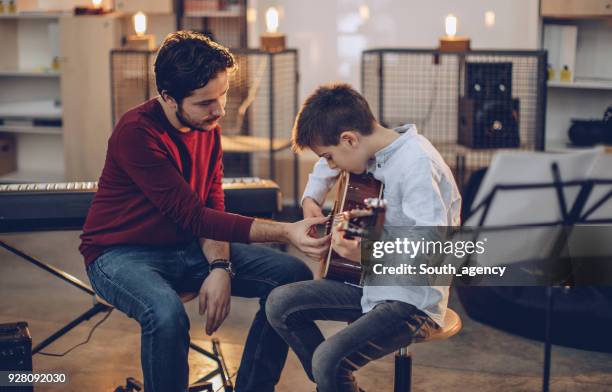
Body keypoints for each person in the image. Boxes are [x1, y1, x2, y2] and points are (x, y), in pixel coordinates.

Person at [79, 31, 329, 392]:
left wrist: (220, 266)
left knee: (290, 275)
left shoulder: (206, 125)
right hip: (119, 254)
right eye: (206, 102)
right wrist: (287, 231)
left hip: (185, 246)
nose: (220, 110)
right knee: (165, 314)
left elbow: (212, 201)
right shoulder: (136, 132)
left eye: (223, 95)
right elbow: (195, 216)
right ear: (167, 97)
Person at [265, 83, 462, 392]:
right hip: (369, 287)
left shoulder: (417, 164)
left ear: (349, 139)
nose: (330, 165)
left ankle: (332, 377)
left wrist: (366, 255)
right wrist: (310, 200)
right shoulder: (372, 149)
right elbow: (324, 166)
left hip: (411, 301)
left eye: (331, 157)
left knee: (328, 360)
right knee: (280, 304)